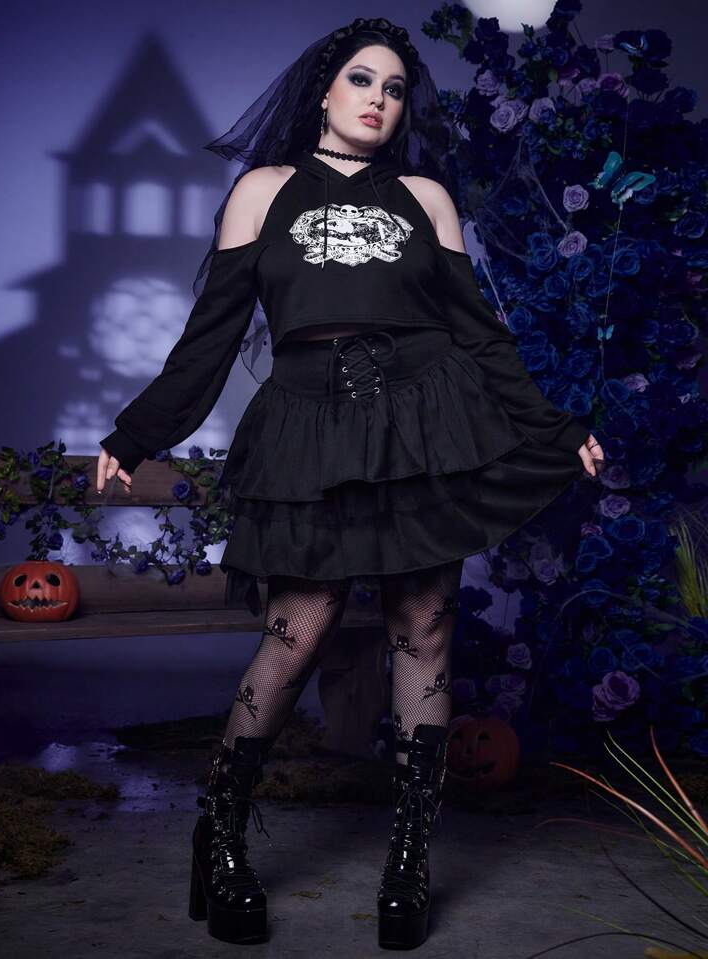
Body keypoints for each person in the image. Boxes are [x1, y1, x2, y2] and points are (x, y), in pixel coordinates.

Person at [96, 17, 605, 950]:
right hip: (311, 424)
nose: (378, 99)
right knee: (298, 628)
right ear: (324, 89)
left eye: (396, 88)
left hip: (422, 419)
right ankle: (220, 836)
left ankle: (408, 862)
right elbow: (211, 336)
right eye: (362, 79)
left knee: (424, 626)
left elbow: (481, 336)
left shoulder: (425, 198)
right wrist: (138, 432)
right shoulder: (264, 190)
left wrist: (555, 428)